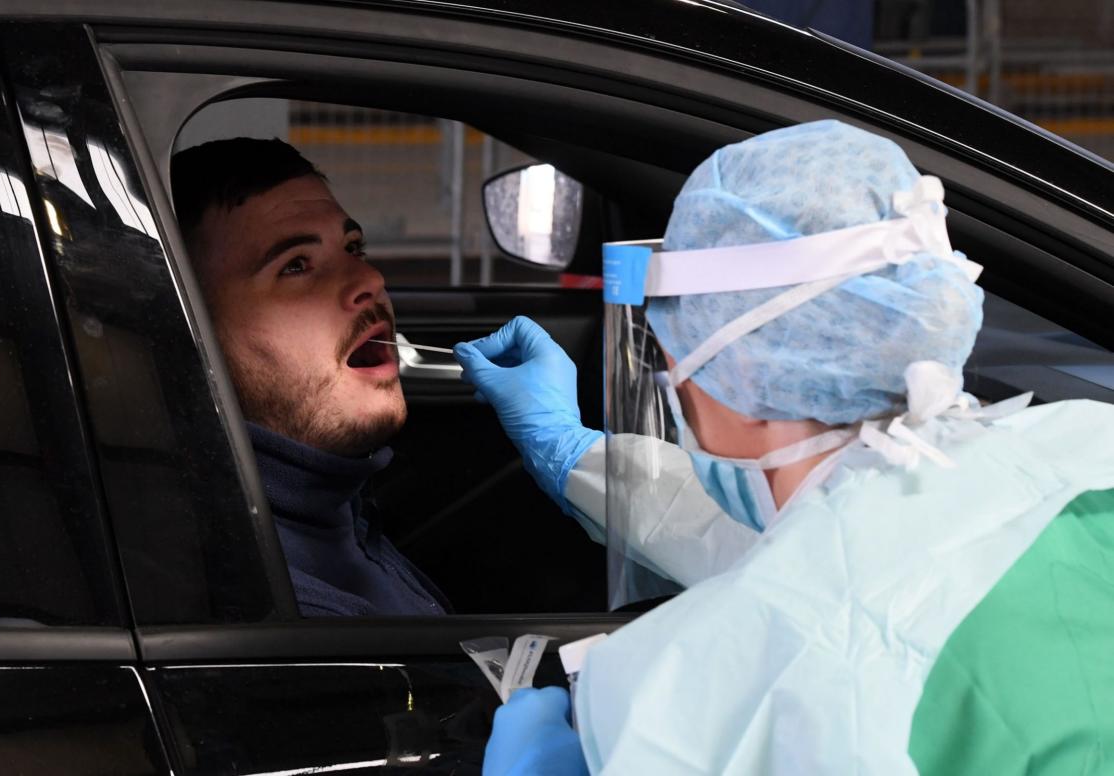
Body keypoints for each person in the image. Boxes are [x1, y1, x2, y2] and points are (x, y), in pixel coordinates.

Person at [456, 120, 1114, 773]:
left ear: (739, 368)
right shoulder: (1088, 445)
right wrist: (571, 452)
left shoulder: (684, 705)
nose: (675, 379)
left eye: (674, 355)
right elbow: (832, 552)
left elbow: (808, 589)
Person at [172, 138, 448, 617]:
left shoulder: (338, 508)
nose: (370, 280)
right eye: (296, 265)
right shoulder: (283, 617)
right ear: (192, 333)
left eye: (353, 247)